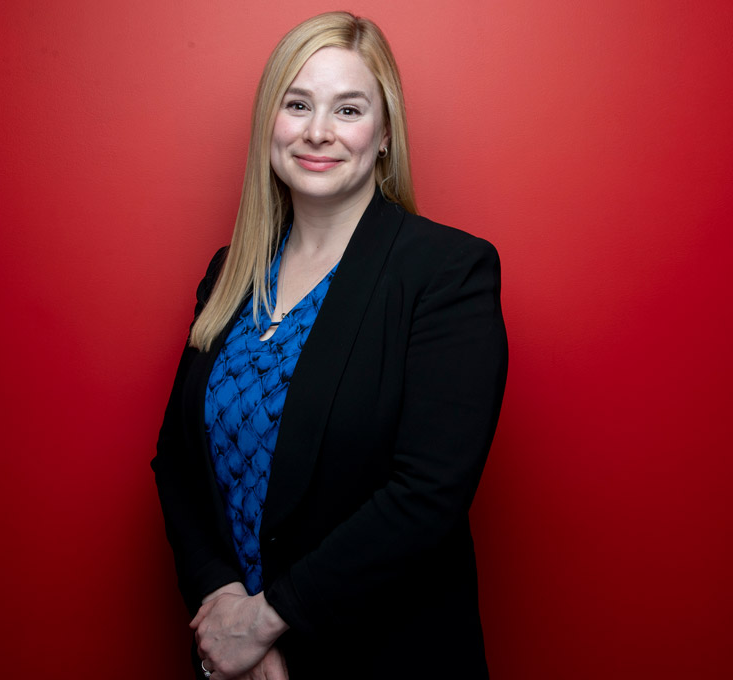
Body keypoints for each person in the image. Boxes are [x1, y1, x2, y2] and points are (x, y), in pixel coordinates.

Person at [152, 11, 508, 680]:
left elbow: (426, 493)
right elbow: (177, 461)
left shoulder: (446, 272)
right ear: (269, 123)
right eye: (297, 105)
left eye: (348, 109)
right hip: (233, 663)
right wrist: (222, 606)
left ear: (384, 134)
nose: (318, 131)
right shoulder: (232, 273)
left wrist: (266, 621)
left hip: (380, 658)